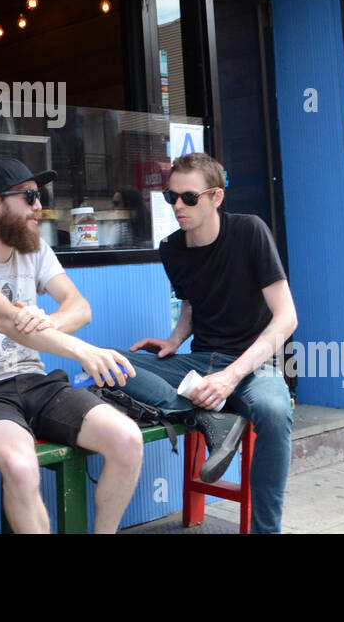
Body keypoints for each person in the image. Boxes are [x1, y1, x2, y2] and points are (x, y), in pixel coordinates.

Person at [0, 158, 143, 534]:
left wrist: (49, 321)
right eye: (29, 197)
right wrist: (82, 351)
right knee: (21, 466)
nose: (38, 206)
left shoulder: (33, 247)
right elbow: (4, 320)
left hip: (34, 381)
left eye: (39, 197)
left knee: (127, 438)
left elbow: (80, 307)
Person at [118, 152, 297, 534]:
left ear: (216, 197)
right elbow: (191, 303)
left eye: (189, 197)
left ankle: (268, 531)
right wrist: (173, 340)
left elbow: (287, 317)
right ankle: (207, 417)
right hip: (199, 362)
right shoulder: (172, 249)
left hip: (251, 366)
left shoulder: (250, 231)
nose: (178, 206)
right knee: (106, 363)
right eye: (171, 198)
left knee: (273, 410)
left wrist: (231, 378)